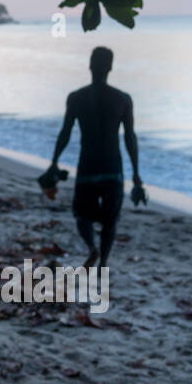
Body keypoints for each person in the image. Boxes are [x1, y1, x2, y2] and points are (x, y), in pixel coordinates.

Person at [49, 47, 143, 268]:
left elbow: (65, 132)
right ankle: (103, 263)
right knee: (111, 220)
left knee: (82, 214)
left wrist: (54, 161)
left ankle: (92, 249)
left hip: (88, 165)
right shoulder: (122, 99)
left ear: (90, 65)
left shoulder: (76, 98)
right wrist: (136, 173)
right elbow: (130, 137)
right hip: (112, 166)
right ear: (110, 67)